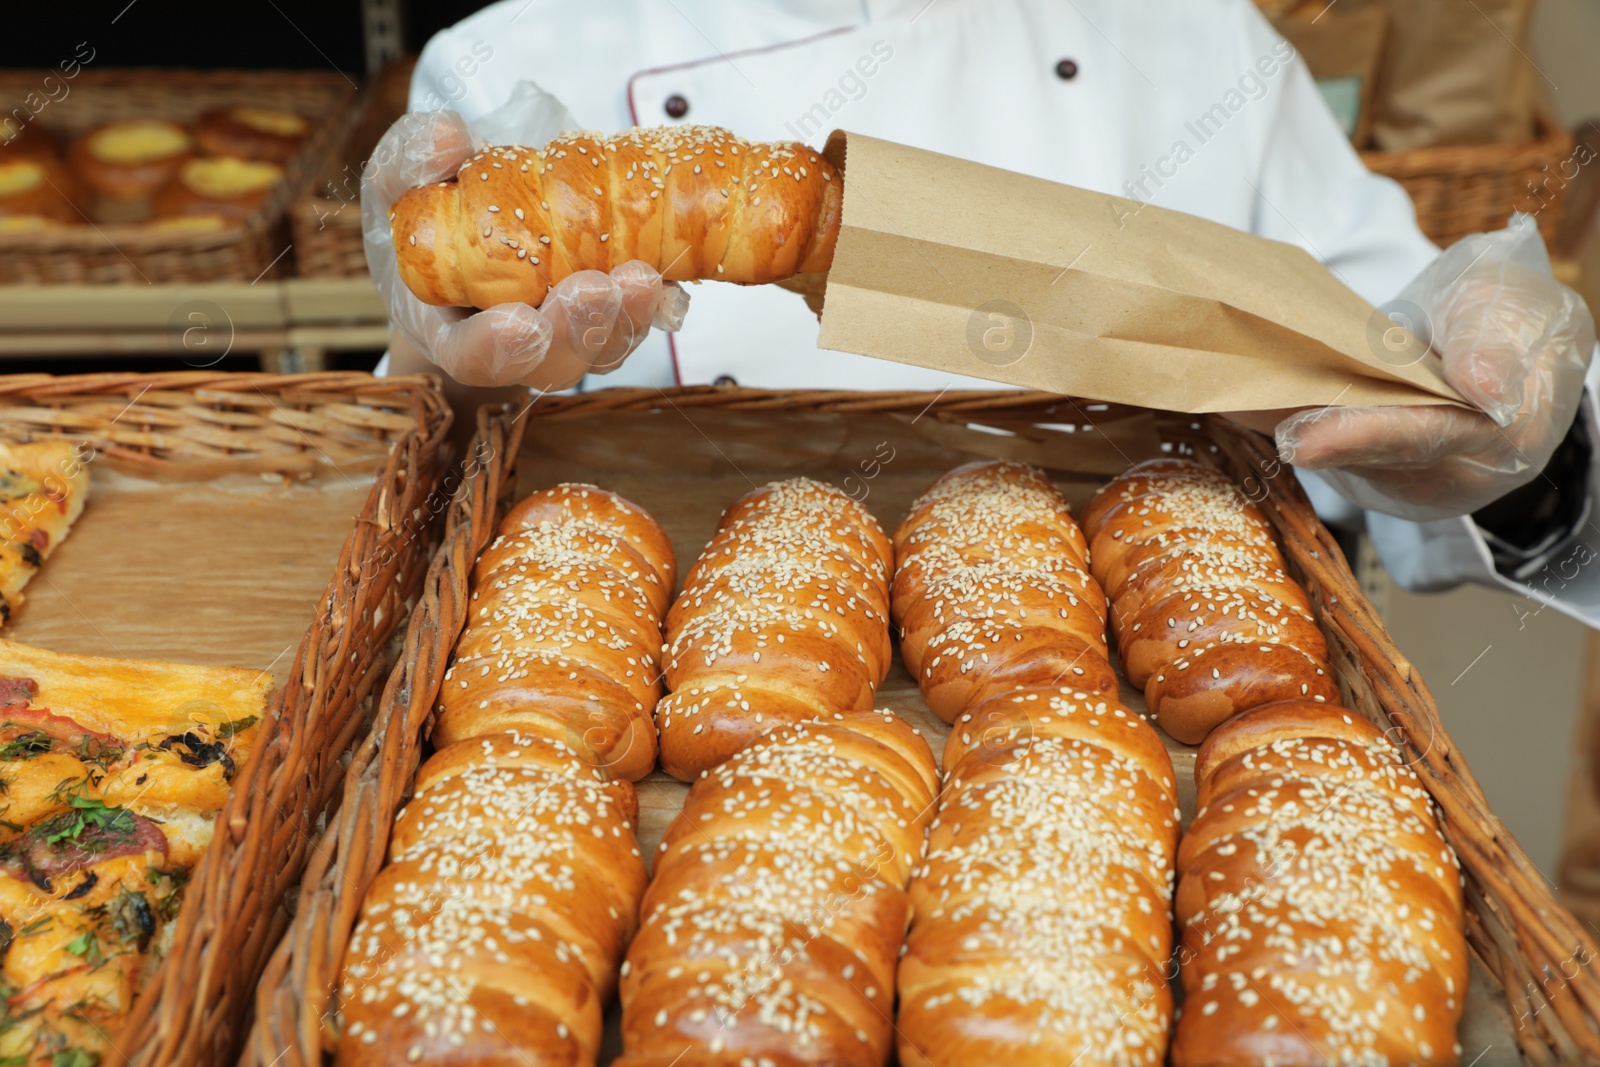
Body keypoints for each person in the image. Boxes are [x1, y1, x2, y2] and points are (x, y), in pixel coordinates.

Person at [371, 0, 1600, 625]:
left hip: (1154, 735)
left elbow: (1407, 382)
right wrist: (447, 373)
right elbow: (414, 536)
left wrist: (1526, 448)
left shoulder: (1190, 37)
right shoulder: (522, 58)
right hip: (680, 733)